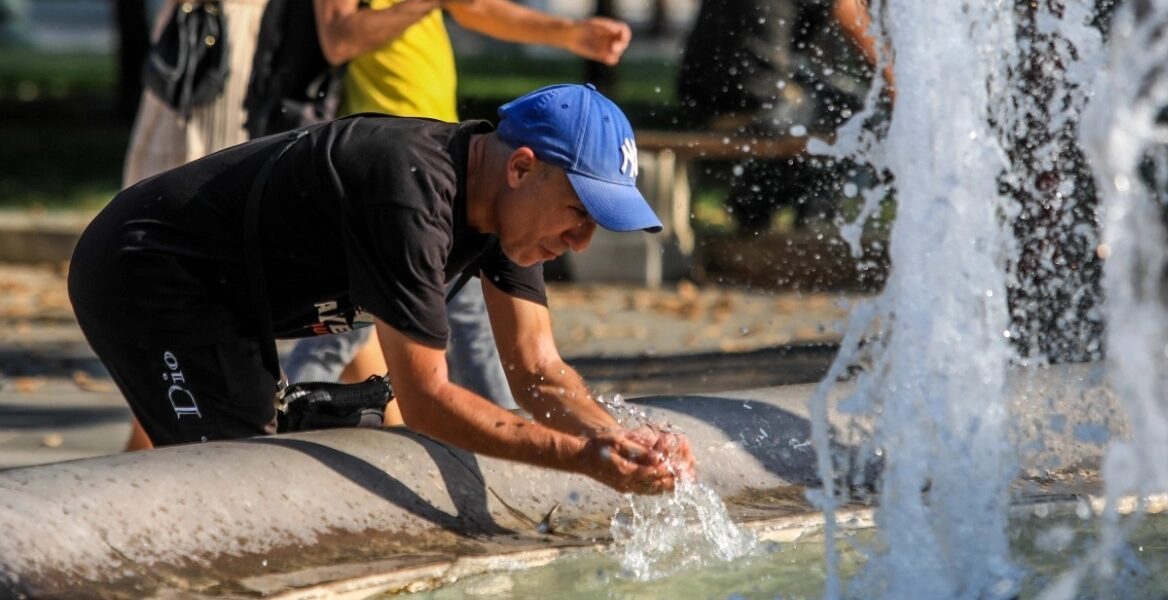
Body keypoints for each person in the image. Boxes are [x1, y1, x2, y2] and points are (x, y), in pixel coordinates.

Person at [68, 84, 694, 494]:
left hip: (235, 294)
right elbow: (428, 403)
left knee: (284, 458)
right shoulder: (410, 191)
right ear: (522, 166)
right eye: (579, 211)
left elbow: (538, 371)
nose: (581, 240)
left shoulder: (507, 215)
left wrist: (615, 439)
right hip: (149, 270)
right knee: (232, 479)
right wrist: (581, 459)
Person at [281, 0, 635, 414]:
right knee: (342, 337)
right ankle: (274, 431)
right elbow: (339, 40)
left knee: (474, 343)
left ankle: (500, 456)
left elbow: (475, 8)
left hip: (458, 173)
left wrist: (569, 34)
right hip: (390, 180)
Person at [677, 0, 892, 233]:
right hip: (759, 102)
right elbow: (854, 22)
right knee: (862, 115)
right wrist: (896, 88)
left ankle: (755, 205)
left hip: (699, 99)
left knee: (816, 101)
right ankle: (814, 217)